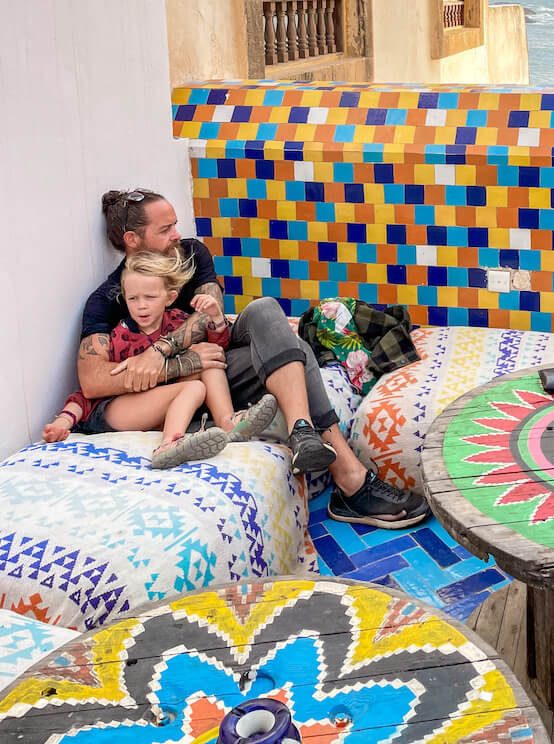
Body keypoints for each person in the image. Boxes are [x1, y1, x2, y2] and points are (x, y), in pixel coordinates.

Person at [76, 189, 429, 527]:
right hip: (185, 388)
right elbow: (92, 382)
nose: (176, 235)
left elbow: (209, 314)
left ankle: (302, 431)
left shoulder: (191, 253)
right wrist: (184, 362)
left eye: (175, 225)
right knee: (299, 353)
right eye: (165, 229)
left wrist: (162, 350)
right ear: (132, 239)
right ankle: (351, 479)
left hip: (218, 366)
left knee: (266, 311)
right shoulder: (107, 299)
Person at [45, 250, 277, 468]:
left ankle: (228, 422)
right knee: (194, 388)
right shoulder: (122, 337)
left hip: (158, 401)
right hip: (117, 408)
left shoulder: (178, 322)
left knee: (206, 358)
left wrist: (215, 318)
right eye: (133, 298)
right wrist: (64, 420)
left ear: (170, 297)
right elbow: (89, 392)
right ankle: (168, 445)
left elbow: (219, 349)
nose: (141, 306)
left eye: (150, 297)